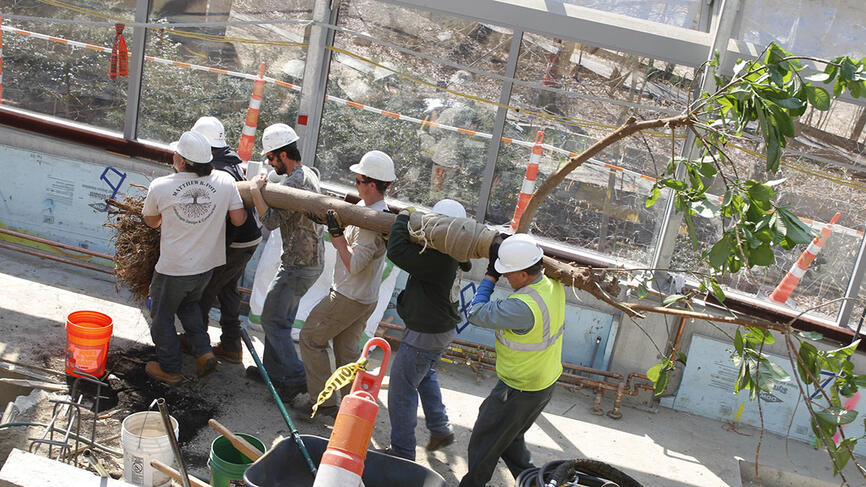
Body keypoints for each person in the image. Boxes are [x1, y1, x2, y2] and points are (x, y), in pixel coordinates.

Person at [458, 234, 565, 487]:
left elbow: (474, 314)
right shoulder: (553, 285)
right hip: (542, 384)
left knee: (484, 442)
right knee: (509, 438)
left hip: (519, 388)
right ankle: (536, 482)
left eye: (508, 272)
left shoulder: (522, 306)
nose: (505, 276)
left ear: (525, 275)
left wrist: (490, 275)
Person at [141, 130, 247, 385]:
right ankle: (203, 352)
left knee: (162, 317)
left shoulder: (161, 186)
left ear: (182, 161)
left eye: (175, 153)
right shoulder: (224, 180)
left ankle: (170, 368)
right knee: (189, 308)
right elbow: (239, 219)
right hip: (206, 267)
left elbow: (152, 222)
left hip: (174, 268)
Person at [298, 150, 396, 416]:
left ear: (372, 185)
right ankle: (353, 408)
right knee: (347, 355)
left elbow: (354, 265)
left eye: (358, 180)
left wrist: (336, 235)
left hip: (348, 296)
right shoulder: (371, 213)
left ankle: (324, 402)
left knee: (309, 339)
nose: (355, 184)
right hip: (364, 298)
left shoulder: (370, 222)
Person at [381, 199, 471, 460]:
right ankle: (440, 429)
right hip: (439, 329)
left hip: (426, 333)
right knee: (423, 373)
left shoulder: (438, 259)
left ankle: (402, 451)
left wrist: (403, 217)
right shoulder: (456, 252)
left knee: (401, 388)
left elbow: (396, 251)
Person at [246, 123, 324, 401]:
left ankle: (293, 378)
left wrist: (256, 190)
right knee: (280, 317)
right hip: (306, 261)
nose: (269, 163)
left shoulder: (295, 182)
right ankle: (272, 372)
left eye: (271, 157)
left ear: (282, 154)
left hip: (299, 264)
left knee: (272, 319)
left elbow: (271, 221)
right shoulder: (308, 175)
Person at [188, 116, 262, 363]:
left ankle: (197, 345)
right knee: (228, 288)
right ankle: (231, 345)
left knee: (204, 290)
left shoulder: (216, 170)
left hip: (235, 242)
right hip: (248, 239)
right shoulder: (229, 162)